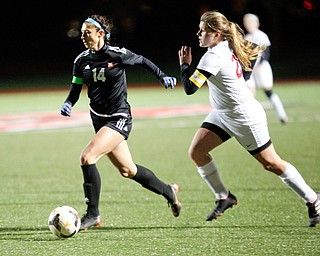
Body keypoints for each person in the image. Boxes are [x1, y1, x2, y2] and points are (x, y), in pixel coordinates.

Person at [178, 10, 319, 227]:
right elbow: (246, 67)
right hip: (223, 113)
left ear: (216, 34)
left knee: (272, 163)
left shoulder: (213, 56)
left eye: (203, 30)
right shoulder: (225, 46)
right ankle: (224, 197)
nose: (198, 34)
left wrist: (184, 64)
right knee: (197, 152)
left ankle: (313, 198)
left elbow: (189, 88)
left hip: (244, 117)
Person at [60, 14, 181, 231]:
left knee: (87, 157)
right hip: (98, 119)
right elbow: (75, 89)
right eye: (82, 32)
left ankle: (93, 214)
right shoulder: (81, 61)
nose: (82, 36)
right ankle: (168, 191)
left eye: (87, 32)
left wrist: (162, 76)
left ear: (101, 34)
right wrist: (68, 103)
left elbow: (143, 61)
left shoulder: (117, 54)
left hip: (119, 118)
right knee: (128, 170)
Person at [243, 13, 288, 124]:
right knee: (249, 93)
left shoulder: (261, 36)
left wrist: (256, 64)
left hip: (261, 68)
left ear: (257, 23)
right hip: (250, 70)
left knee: (268, 91)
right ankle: (251, 118)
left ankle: (281, 114)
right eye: (246, 22)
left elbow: (265, 53)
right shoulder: (247, 38)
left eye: (251, 22)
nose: (248, 24)